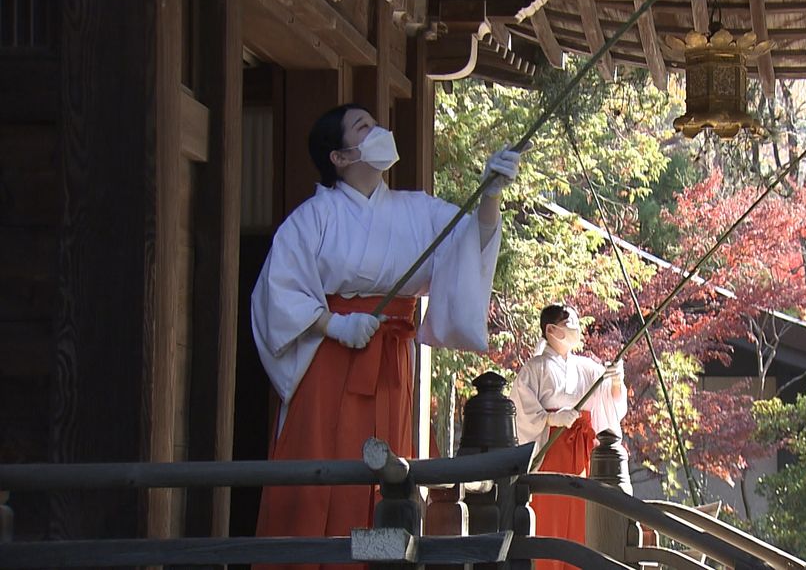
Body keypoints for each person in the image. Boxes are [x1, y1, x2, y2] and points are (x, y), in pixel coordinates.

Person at [250, 103, 519, 569]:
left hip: (390, 356)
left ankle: (371, 563)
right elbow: (278, 293)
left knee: (386, 471)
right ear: (339, 156)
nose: (378, 131)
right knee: (321, 463)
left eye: (375, 124)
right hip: (329, 359)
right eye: (363, 127)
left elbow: (469, 240)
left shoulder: (416, 210)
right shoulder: (313, 217)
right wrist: (335, 324)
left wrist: (490, 195)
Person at [510, 304, 628, 570]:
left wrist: (616, 380)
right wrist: (550, 418)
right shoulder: (535, 368)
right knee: (550, 518)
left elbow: (610, 402)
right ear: (551, 330)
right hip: (552, 449)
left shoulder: (587, 367)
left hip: (584, 453)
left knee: (583, 521)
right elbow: (521, 409)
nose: (576, 327)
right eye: (569, 322)